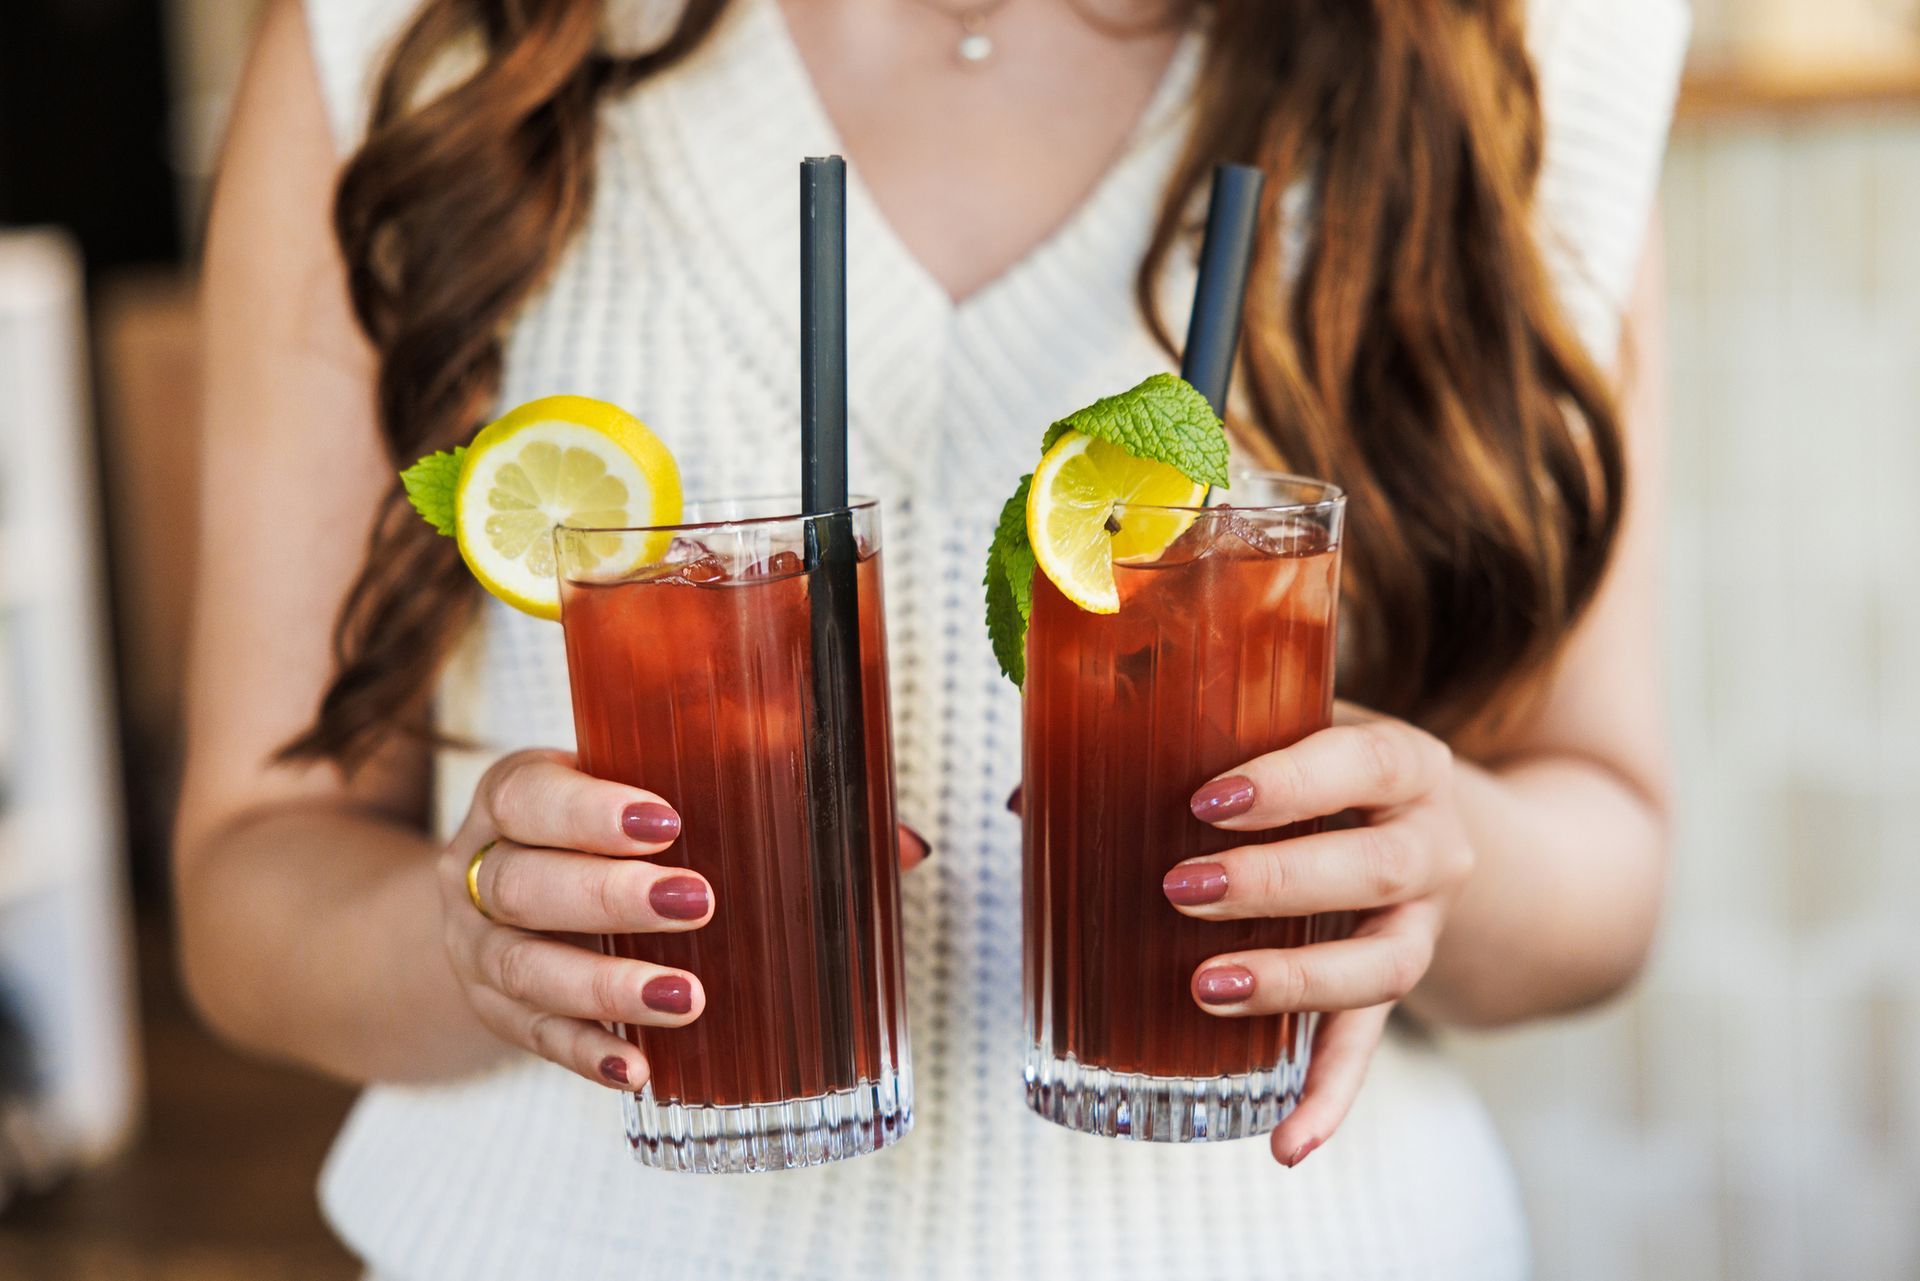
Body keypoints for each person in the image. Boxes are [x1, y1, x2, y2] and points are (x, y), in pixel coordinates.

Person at [174, 0, 1686, 1276]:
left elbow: (1610, 856)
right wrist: (481, 937)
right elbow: (246, 880)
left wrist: (1422, 855)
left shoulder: (1528, 47)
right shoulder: (407, 42)